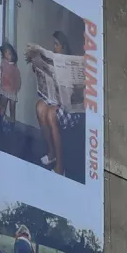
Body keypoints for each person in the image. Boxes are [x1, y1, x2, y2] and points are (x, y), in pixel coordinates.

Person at [26, 30, 83, 176]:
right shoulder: (52, 60)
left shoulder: (71, 63)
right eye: (54, 44)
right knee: (40, 107)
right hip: (54, 101)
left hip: (70, 109)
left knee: (51, 114)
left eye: (56, 45)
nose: (54, 47)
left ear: (63, 46)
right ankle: (51, 152)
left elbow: (77, 95)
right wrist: (37, 65)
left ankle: (60, 166)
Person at [0, 42, 21, 124]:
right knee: (3, 107)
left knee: (12, 109)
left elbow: (18, 80)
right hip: (4, 89)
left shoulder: (15, 68)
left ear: (13, 54)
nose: (8, 55)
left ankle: (12, 125)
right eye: (6, 54)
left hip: (12, 92)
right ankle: (0, 123)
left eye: (9, 53)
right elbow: (0, 72)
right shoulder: (3, 63)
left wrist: (16, 88)